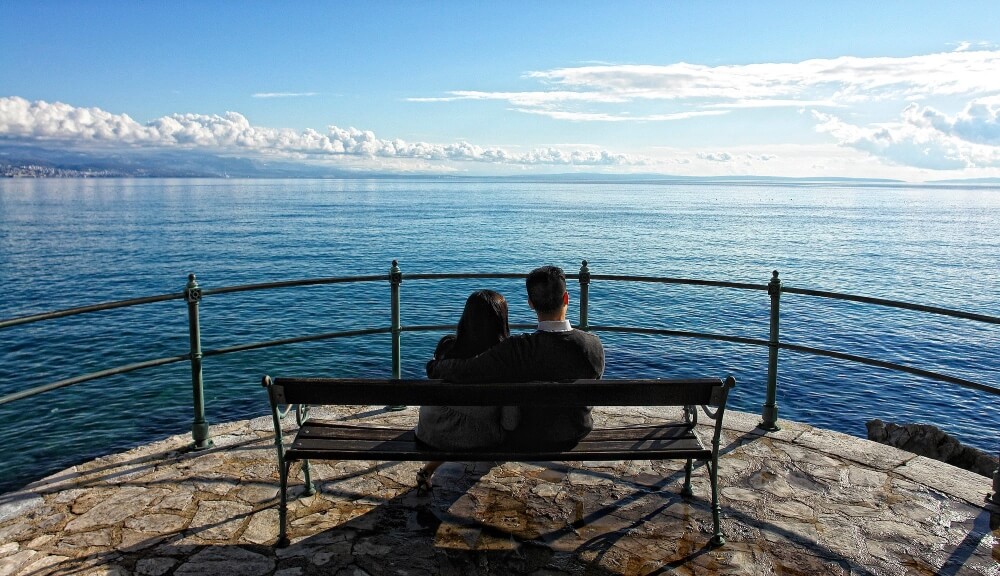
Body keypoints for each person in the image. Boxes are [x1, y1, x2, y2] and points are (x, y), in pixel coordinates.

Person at [428, 265, 604, 451]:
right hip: (577, 431)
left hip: (530, 437)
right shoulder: (593, 345)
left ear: (530, 303)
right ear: (566, 298)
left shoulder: (517, 349)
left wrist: (435, 367)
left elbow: (467, 370)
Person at [414, 289, 510, 491]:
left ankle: (428, 469)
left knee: (458, 423)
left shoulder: (447, 348)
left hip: (430, 432)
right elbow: (511, 422)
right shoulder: (505, 361)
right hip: (482, 440)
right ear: (502, 321)